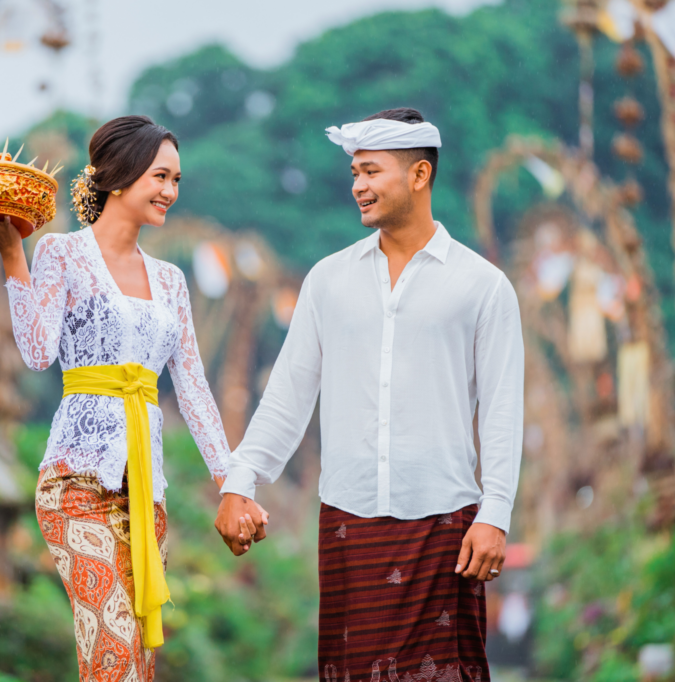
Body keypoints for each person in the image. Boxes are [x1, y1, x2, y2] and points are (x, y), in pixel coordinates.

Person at [214, 108, 524, 682]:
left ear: (419, 175)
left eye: (372, 171)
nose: (358, 185)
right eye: (354, 172)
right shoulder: (327, 281)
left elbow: (504, 409)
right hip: (347, 524)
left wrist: (496, 513)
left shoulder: (482, 286)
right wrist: (241, 479)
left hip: (445, 527)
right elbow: (289, 393)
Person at [0, 115, 266, 681]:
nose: (170, 192)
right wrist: (11, 255)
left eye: (176, 180)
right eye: (160, 177)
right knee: (114, 648)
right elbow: (36, 352)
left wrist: (233, 484)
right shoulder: (61, 254)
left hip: (145, 494)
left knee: (136, 660)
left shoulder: (171, 280)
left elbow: (194, 387)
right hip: (76, 482)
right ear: (120, 177)